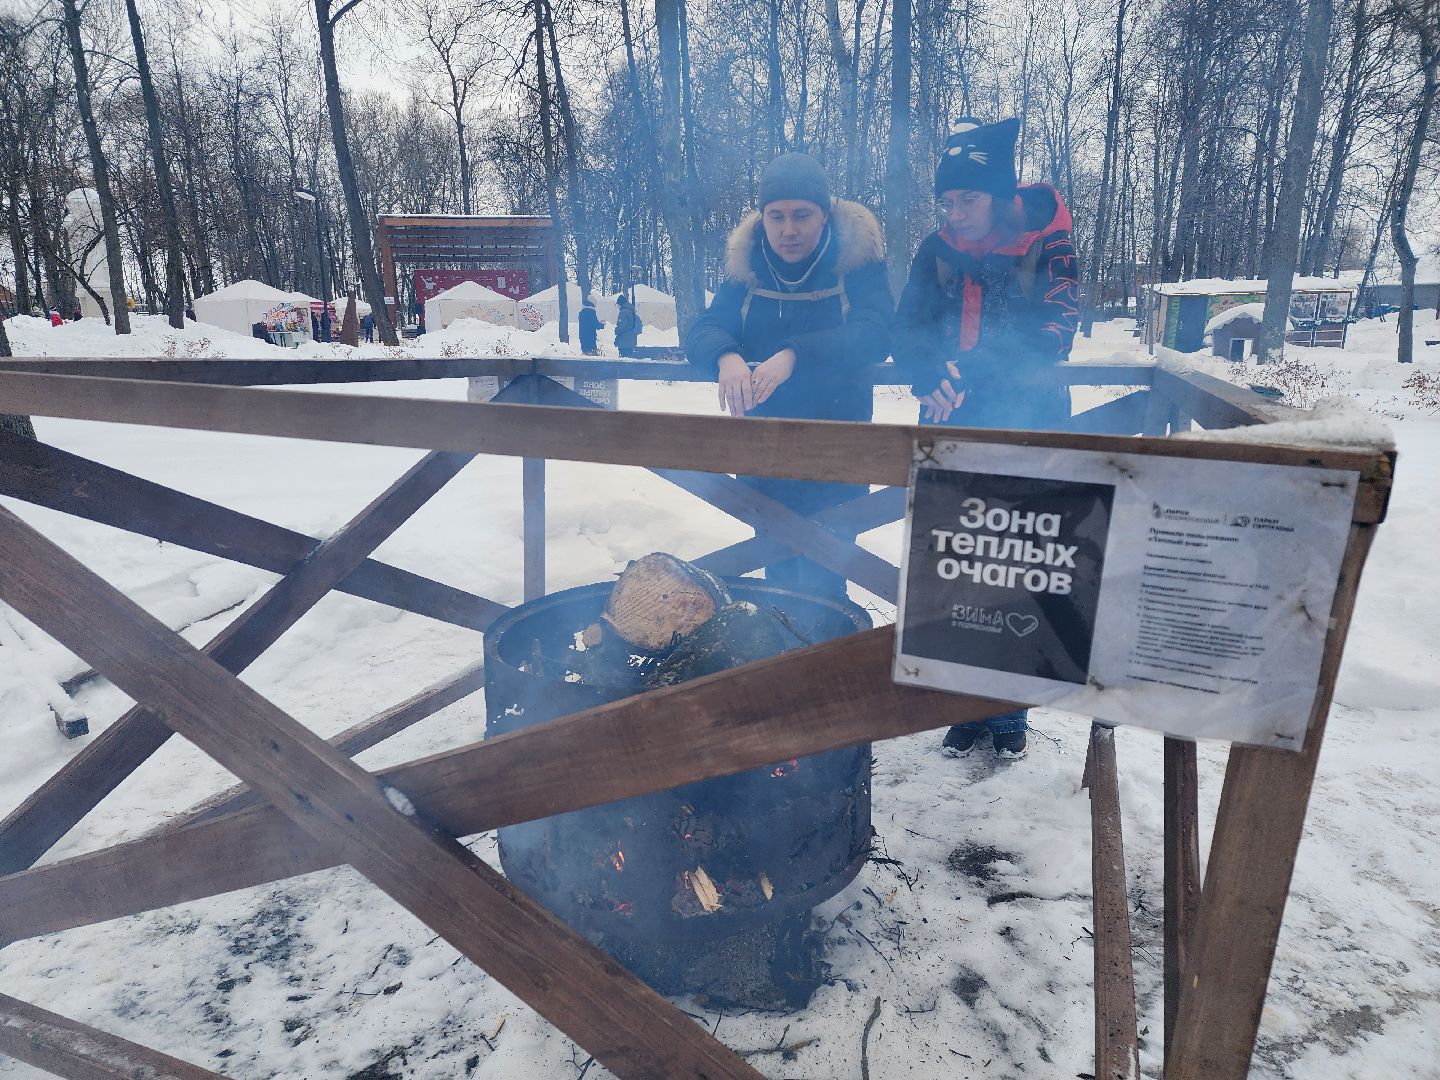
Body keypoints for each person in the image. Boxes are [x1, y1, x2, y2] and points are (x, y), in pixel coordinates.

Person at [894, 117, 1081, 761]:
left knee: (1020, 569)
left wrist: (965, 371)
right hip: (949, 421)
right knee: (952, 566)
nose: (956, 213)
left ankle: (1010, 712)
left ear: (999, 195)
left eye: (968, 199)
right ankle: (960, 704)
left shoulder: (1047, 242)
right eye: (947, 201)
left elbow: (1054, 331)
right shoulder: (934, 248)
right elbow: (906, 325)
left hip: (1029, 423)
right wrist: (924, 370)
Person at [686, 152, 892, 601]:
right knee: (773, 574)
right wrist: (726, 357)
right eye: (776, 216)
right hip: (765, 449)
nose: (788, 230)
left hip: (837, 446)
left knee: (826, 577)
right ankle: (778, 662)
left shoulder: (856, 260)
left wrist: (795, 354)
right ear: (762, 219)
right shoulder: (749, 264)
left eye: (802, 215)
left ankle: (827, 663)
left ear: (824, 214)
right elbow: (704, 328)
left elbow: (876, 332)